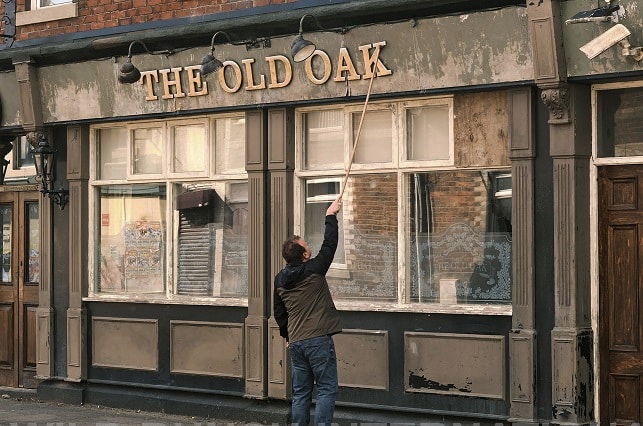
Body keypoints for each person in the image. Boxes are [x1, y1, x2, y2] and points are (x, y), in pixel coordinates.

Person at [274, 198, 343, 426]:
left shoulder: (280, 280)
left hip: (296, 343)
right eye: (306, 245)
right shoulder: (314, 269)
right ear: (304, 255)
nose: (309, 247)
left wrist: (287, 335)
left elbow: (279, 312)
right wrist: (330, 215)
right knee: (326, 389)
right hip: (317, 341)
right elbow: (330, 244)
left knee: (301, 392)